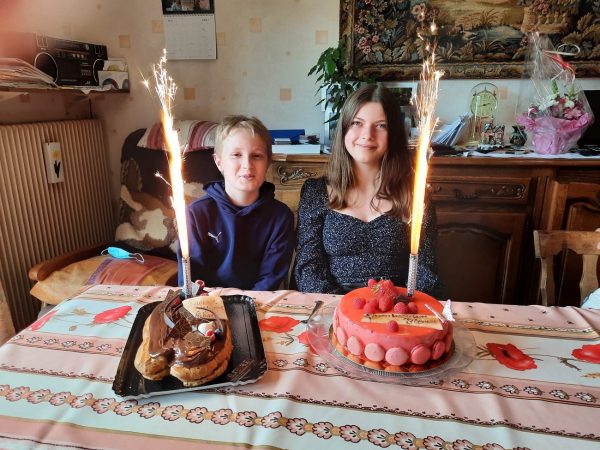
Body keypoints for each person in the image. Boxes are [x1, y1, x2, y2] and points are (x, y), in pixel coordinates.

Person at [294, 84, 441, 296]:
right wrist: (344, 308)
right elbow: (308, 269)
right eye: (357, 123)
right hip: (332, 305)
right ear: (344, 128)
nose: (367, 135)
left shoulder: (416, 196)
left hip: (395, 306)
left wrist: (400, 305)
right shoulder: (316, 193)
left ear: (393, 133)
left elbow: (425, 271)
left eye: (381, 126)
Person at [178, 115, 295, 291]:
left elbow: (270, 278)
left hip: (258, 302)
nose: (247, 164)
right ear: (219, 162)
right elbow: (190, 281)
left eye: (257, 156)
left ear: (268, 163)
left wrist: (244, 304)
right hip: (206, 303)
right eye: (236, 155)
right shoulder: (194, 214)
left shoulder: (281, 217)